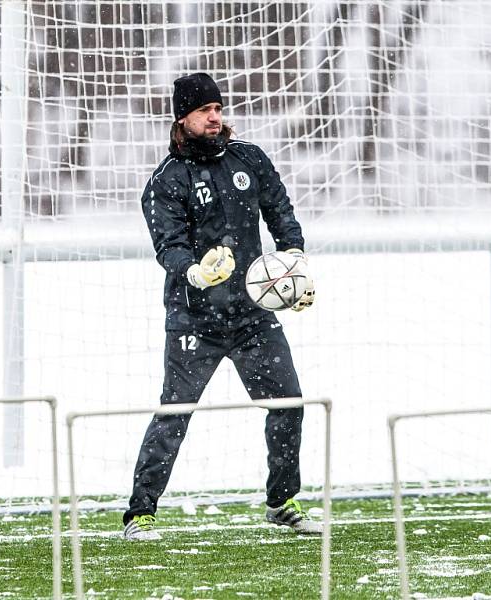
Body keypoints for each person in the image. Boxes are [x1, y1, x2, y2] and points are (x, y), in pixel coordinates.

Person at [123, 72, 318, 541]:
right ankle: (140, 513)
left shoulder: (249, 158)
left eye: (218, 108)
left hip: (253, 316)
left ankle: (280, 501)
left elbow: (281, 212)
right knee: (175, 412)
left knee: (289, 404)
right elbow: (168, 246)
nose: (216, 117)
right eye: (205, 110)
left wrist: (293, 261)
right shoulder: (166, 181)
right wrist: (194, 270)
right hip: (195, 320)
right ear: (183, 118)